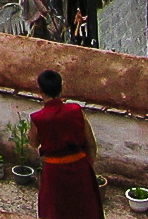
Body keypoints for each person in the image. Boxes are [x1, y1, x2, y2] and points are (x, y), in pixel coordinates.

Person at [28, 69, 103, 219]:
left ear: (40, 91)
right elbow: (91, 144)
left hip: (53, 172)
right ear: (61, 88)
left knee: (56, 211)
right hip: (80, 168)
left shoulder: (38, 118)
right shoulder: (76, 111)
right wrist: (88, 165)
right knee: (84, 211)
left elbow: (33, 143)